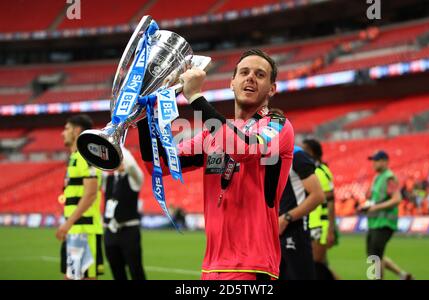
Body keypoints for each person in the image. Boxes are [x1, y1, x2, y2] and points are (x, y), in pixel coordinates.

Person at [138, 49, 294, 280]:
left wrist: (195, 98)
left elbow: (245, 149)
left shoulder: (278, 125)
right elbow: (158, 165)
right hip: (212, 268)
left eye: (260, 75)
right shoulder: (210, 136)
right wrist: (144, 116)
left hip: (253, 267)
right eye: (244, 72)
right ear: (232, 82)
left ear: (272, 89)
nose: (250, 77)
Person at [56, 114, 104, 280]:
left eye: (67, 129)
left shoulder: (86, 156)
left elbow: (90, 194)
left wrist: (67, 224)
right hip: (75, 230)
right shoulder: (75, 158)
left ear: (77, 131)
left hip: (84, 231)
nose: (63, 133)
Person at [358, 150, 413, 280]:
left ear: (384, 161)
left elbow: (397, 199)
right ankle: (403, 275)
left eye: (376, 160)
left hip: (385, 222)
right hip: (375, 221)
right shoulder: (378, 177)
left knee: (375, 257)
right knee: (374, 255)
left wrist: (375, 207)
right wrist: (367, 205)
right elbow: (377, 198)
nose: (373, 163)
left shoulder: (389, 177)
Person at [278, 144, 325, 280]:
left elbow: (318, 196)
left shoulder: (297, 156)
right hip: (274, 231)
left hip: (295, 229)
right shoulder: (265, 155)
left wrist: (286, 218)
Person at [103, 147, 146, 280]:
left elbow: (132, 166)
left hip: (129, 231)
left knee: (135, 270)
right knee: (117, 272)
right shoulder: (107, 180)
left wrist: (118, 145)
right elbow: (98, 165)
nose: (121, 162)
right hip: (110, 231)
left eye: (122, 159)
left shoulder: (134, 179)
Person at [302, 138, 339, 280]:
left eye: (305, 149)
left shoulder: (320, 172)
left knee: (315, 265)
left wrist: (330, 229)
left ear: (312, 152)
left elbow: (330, 201)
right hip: (313, 223)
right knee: (320, 266)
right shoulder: (315, 170)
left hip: (319, 225)